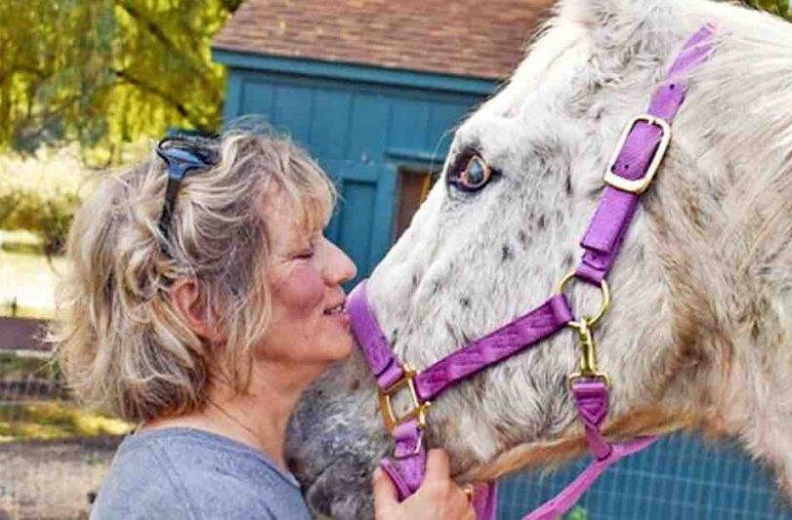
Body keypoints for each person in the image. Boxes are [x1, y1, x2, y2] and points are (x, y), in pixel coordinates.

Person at [52, 125, 475, 520]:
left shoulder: (239, 476)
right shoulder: (195, 502)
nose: (343, 266)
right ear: (203, 309)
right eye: (303, 252)